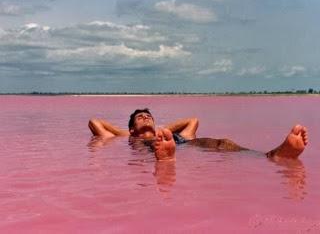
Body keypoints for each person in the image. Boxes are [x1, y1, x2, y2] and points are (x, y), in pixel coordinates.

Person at [88, 108, 308, 161]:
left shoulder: (162, 131)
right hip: (151, 147)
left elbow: (192, 120)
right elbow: (94, 122)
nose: (145, 117)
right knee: (158, 148)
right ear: (132, 127)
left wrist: (160, 130)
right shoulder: (128, 137)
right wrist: (133, 133)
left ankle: (273, 155)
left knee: (223, 142)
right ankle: (165, 158)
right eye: (140, 117)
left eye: (148, 116)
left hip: (182, 144)